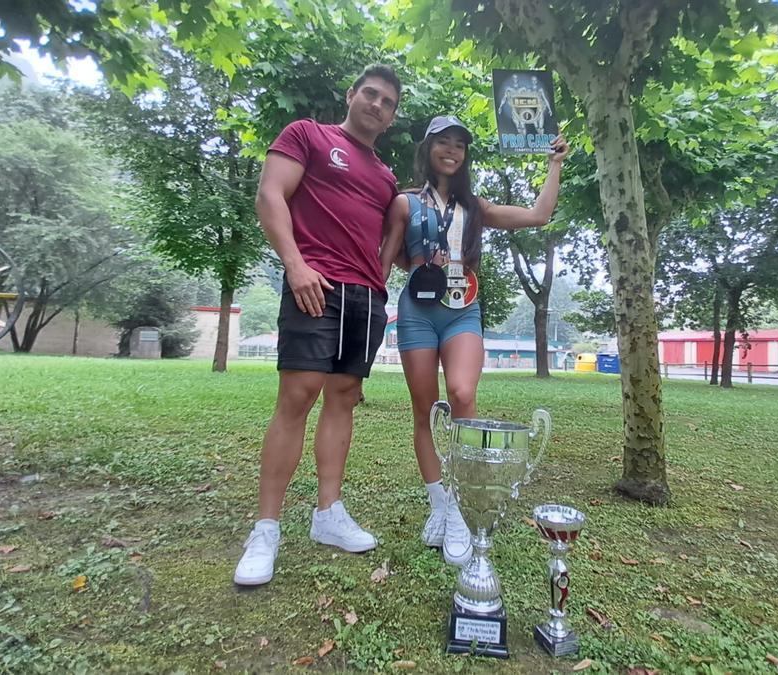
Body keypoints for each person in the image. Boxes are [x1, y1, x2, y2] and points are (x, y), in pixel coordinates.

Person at [233, 65, 401, 586]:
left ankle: (328, 514)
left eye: (387, 102)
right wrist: (296, 266)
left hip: (365, 297)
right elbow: (270, 196)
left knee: (344, 396)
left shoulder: (386, 177)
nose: (376, 104)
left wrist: (379, 282)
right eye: (369, 94)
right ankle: (266, 529)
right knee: (297, 397)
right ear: (351, 95)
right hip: (314, 285)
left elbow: (384, 236)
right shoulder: (307, 134)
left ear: (392, 117)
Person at [379, 116, 568, 565]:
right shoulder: (404, 203)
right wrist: (371, 308)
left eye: (459, 145)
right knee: (424, 411)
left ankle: (462, 510)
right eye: (442, 142)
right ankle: (439, 508)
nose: (451, 150)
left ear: (465, 155)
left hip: (464, 309)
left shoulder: (476, 207)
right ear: (427, 149)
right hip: (416, 314)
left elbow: (538, 216)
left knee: (462, 395)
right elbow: (385, 259)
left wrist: (554, 164)